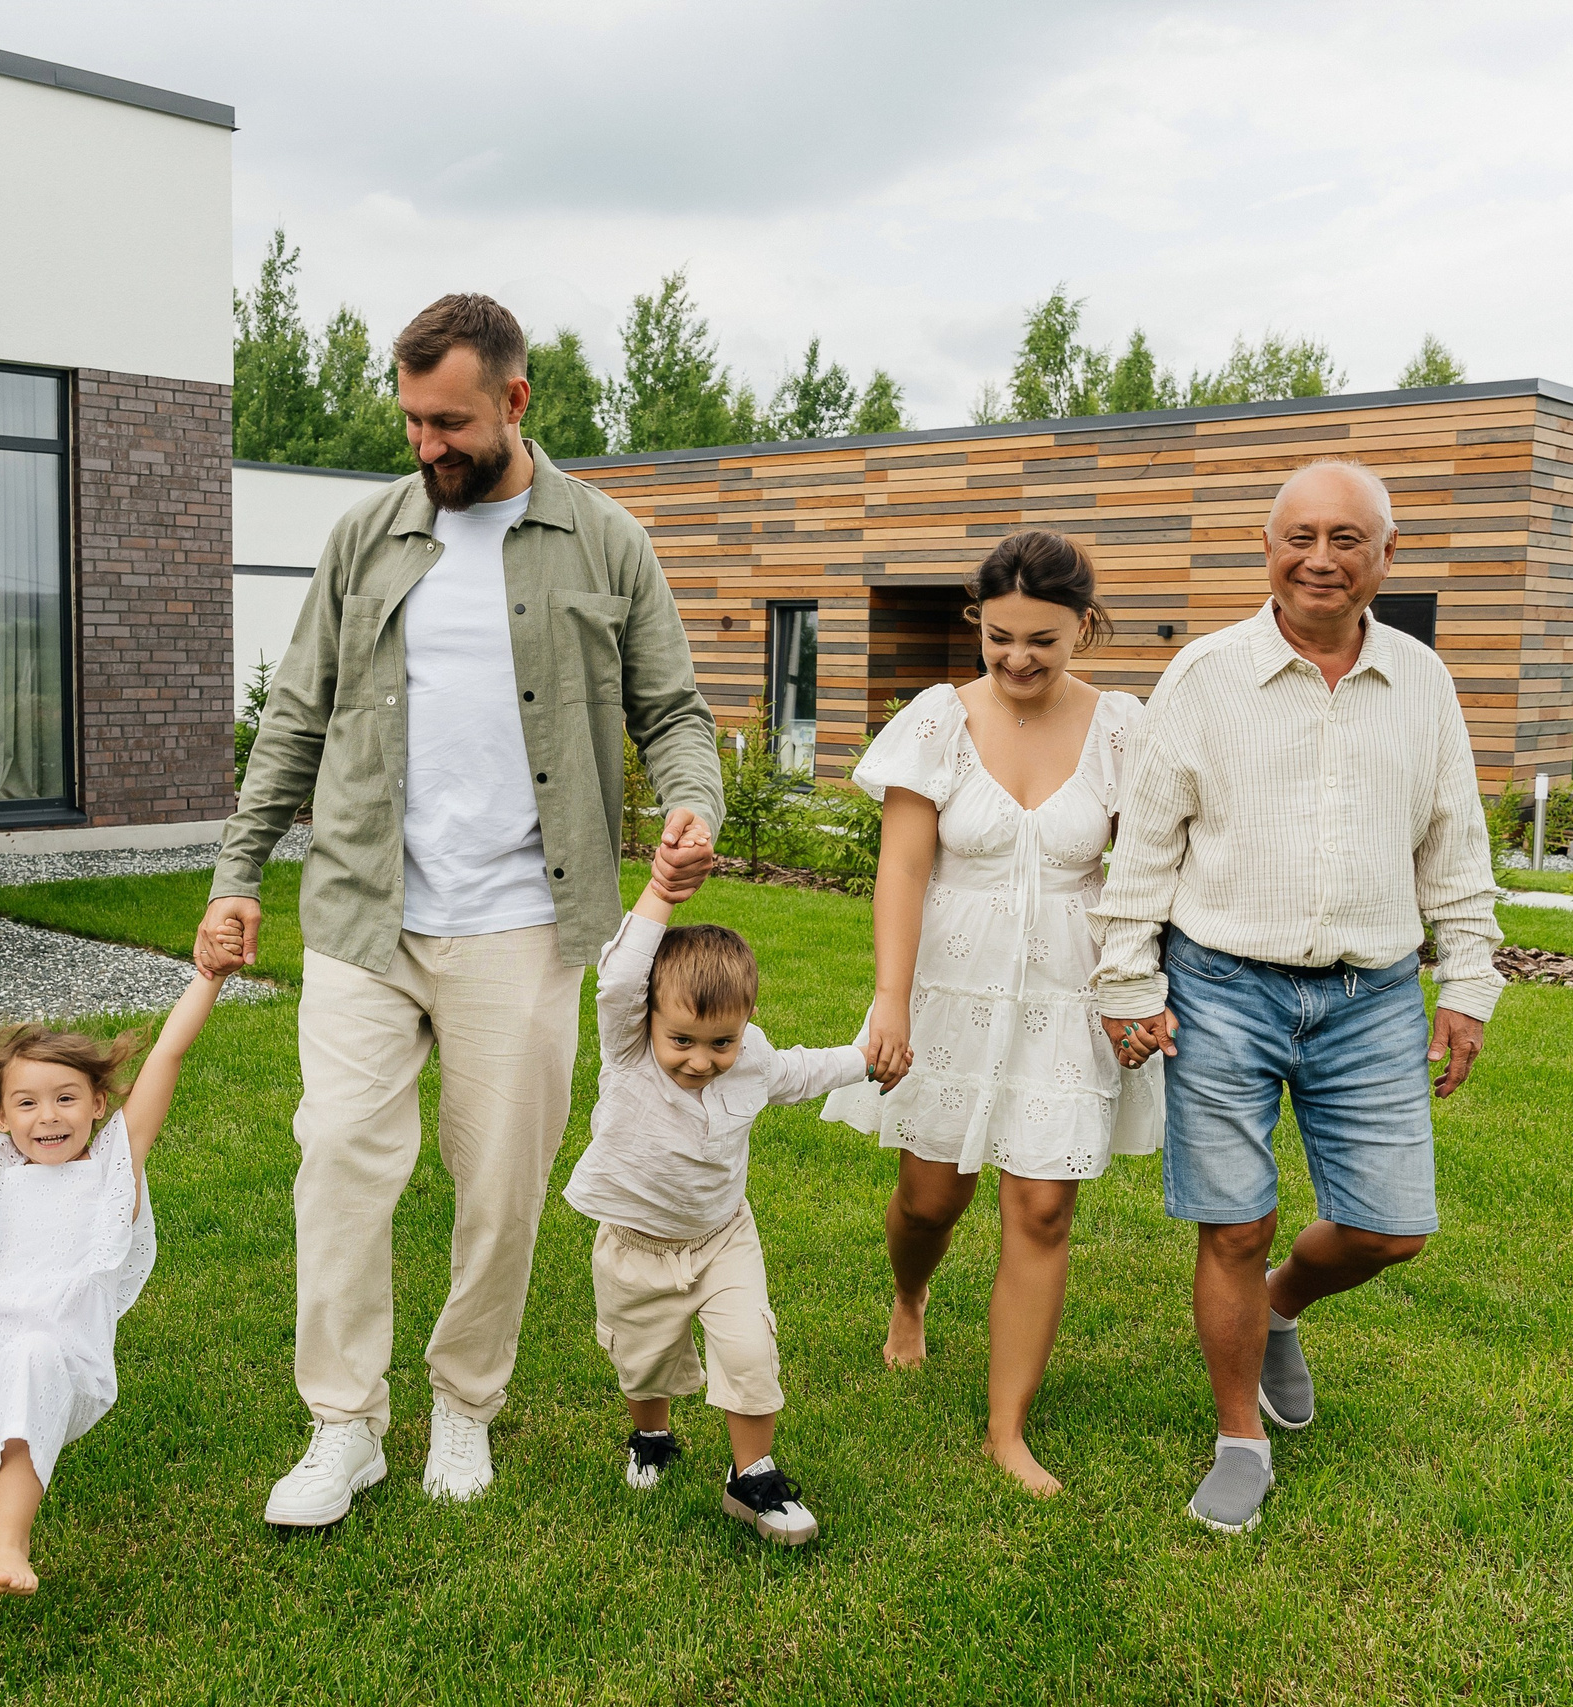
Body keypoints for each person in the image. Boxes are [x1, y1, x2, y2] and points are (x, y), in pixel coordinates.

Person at [195, 292, 723, 1527]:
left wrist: (693, 803)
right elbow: (295, 719)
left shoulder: (606, 541)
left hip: (527, 922)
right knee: (337, 1163)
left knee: (500, 1185)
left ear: (515, 401)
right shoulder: (366, 536)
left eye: (450, 421)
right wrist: (236, 874)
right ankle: (343, 1427)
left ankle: (463, 1406)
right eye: (413, 420)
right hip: (366, 913)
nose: (427, 445)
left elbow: (676, 713)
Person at [1091, 458, 1501, 1535]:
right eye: (1299, 536)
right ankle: (1239, 1439)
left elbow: (1453, 843)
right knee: (1232, 1221)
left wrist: (1468, 979)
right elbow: (1146, 844)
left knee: (1389, 1230)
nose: (1320, 558)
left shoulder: (1422, 681)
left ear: (1385, 556)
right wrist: (1125, 979)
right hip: (1219, 986)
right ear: (1266, 548)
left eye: (1346, 538)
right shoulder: (1204, 675)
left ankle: (1279, 1311)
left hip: (1372, 997)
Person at [821, 530, 1161, 1498]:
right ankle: (910, 1293)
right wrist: (889, 1004)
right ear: (977, 621)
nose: (1017, 659)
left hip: (1070, 996)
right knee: (932, 1197)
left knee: (1043, 1205)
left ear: (1084, 629)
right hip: (948, 993)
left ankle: (1004, 1430)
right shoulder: (936, 719)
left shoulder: (1124, 730)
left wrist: (1141, 989)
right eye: (1000, 636)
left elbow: (1140, 874)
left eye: (1042, 641)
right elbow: (903, 865)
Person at [0, 949, 233, 1595]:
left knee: (27, 1354)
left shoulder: (115, 1167)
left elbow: (165, 1055)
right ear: (1, 1116)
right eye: (25, 1102)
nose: (47, 1115)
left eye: (65, 1098)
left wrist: (208, 978)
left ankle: (9, 1537)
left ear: (99, 1104)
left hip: (64, 1361)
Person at [563, 857, 867, 1544]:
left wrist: (866, 1058)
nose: (701, 1060)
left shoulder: (752, 1056)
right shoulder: (630, 1046)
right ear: (651, 1019)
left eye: (720, 1042)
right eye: (684, 1041)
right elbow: (616, 975)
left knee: (750, 1346)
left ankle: (751, 1475)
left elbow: (802, 1070)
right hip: (635, 1247)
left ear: (745, 1022)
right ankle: (652, 1436)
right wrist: (661, 893)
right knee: (642, 1359)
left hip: (722, 1236)